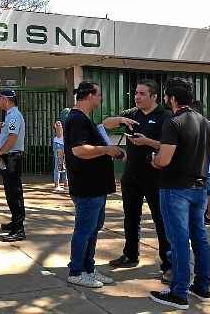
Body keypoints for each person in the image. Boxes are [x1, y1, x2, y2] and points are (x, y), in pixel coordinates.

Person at [150, 78, 210, 310]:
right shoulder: (205, 123)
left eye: (167, 97)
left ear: (172, 99)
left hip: (175, 189)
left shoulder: (173, 122)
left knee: (178, 241)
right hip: (199, 188)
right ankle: (202, 286)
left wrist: (154, 160)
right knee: (200, 238)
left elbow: (164, 159)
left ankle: (178, 292)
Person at [64, 81, 132, 288]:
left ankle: (88, 268)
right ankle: (76, 271)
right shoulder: (76, 119)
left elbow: (99, 131)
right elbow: (79, 150)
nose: (101, 98)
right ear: (90, 96)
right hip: (87, 187)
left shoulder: (85, 119)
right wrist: (107, 150)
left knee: (93, 229)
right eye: (99, 94)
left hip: (96, 186)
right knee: (84, 229)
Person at [104, 79, 172, 282]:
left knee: (161, 220)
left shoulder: (165, 117)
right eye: (136, 93)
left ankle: (168, 264)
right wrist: (121, 121)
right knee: (130, 217)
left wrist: (147, 142)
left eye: (142, 94)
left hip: (155, 177)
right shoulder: (131, 114)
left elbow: (169, 146)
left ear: (154, 97)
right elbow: (105, 124)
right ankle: (130, 254)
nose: (137, 97)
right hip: (131, 175)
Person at [0, 89, 26, 242]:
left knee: (14, 192)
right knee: (10, 192)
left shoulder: (13, 116)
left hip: (12, 158)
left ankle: (19, 229)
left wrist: (0, 153)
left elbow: (12, 138)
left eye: (0, 99)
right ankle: (15, 222)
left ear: (6, 99)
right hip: (10, 157)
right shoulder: (10, 116)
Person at [52, 121, 67, 193]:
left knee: (64, 165)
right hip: (58, 144)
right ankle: (56, 185)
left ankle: (65, 184)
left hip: (63, 145)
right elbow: (59, 133)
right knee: (59, 164)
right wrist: (58, 126)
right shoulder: (59, 124)